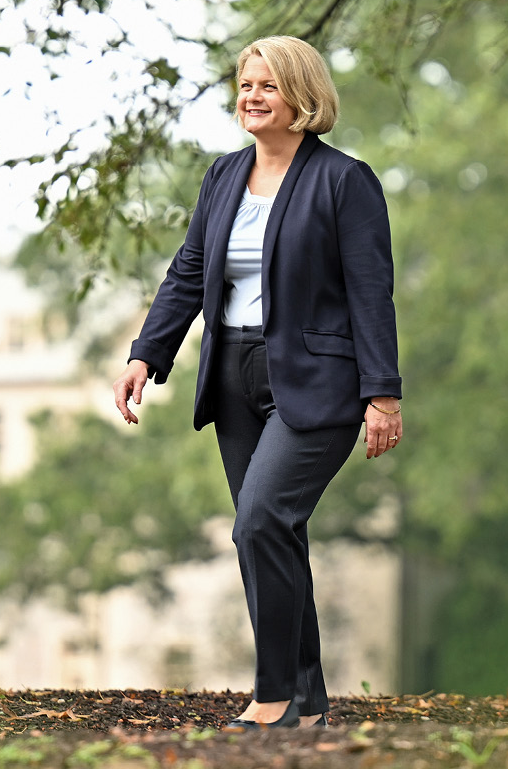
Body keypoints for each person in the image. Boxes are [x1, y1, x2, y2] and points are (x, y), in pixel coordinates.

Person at [113, 36, 403, 730]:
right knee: (276, 534)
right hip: (232, 373)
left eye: (267, 85)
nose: (251, 96)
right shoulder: (222, 177)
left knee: (259, 522)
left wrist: (383, 392)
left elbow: (371, 291)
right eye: (245, 84)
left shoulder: (343, 180)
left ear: (301, 96)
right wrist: (145, 355)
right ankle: (308, 699)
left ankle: (271, 694)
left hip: (317, 380)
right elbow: (188, 272)